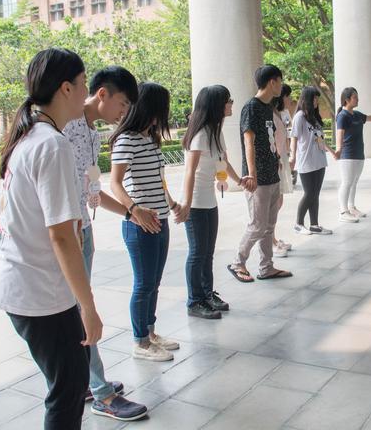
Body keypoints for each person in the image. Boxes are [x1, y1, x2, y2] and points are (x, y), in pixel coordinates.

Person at [0, 48, 102, 429]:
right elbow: (61, 237)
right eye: (83, 82)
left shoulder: (32, 136)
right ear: (65, 88)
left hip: (28, 287)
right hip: (39, 293)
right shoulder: (51, 144)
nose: (87, 92)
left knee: (69, 383)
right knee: (68, 392)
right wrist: (87, 307)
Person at [61, 66, 147, 421]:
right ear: (102, 94)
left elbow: (91, 191)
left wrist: (130, 211)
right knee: (83, 311)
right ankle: (101, 392)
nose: (123, 113)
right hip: (67, 234)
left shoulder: (93, 134)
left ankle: (85, 380)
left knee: (77, 310)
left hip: (83, 230)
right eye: (123, 104)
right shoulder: (64, 129)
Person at [110, 82, 182, 361]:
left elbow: (159, 181)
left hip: (160, 219)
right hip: (140, 224)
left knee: (154, 281)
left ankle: (150, 333)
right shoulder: (126, 139)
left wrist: (172, 204)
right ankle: (140, 342)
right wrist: (134, 211)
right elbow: (115, 183)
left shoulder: (150, 139)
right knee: (143, 283)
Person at [178, 85, 255, 319]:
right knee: (197, 253)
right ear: (216, 105)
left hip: (209, 201)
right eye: (228, 100)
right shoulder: (201, 134)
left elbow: (224, 163)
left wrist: (239, 181)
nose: (231, 104)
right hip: (195, 203)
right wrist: (186, 204)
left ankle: (207, 294)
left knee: (207, 252)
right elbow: (189, 172)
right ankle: (195, 302)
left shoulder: (216, 132)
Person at [228, 65, 293, 282]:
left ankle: (266, 267)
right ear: (272, 82)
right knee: (258, 225)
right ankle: (238, 262)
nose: (281, 86)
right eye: (280, 81)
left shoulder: (268, 107)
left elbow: (269, 138)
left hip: (272, 173)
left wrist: (277, 159)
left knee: (269, 226)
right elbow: (249, 141)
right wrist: (252, 174)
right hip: (258, 178)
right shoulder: (251, 107)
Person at [334, 87, 371, 222]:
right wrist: (339, 149)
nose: (357, 99)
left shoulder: (357, 115)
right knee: (347, 182)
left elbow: (369, 117)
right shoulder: (342, 116)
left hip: (359, 154)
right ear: (347, 100)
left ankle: (352, 207)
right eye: (355, 97)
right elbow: (340, 133)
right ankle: (343, 211)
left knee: (353, 182)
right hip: (347, 155)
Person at [290, 86, 338, 235]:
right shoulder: (299, 117)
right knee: (309, 193)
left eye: (317, 98)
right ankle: (298, 224)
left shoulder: (315, 118)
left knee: (315, 194)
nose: (317, 101)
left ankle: (314, 225)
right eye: (314, 98)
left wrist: (332, 152)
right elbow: (294, 137)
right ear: (307, 99)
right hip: (306, 161)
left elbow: (320, 139)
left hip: (319, 161)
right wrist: (292, 156)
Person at [272, 83, 294, 257]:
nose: (289, 99)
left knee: (278, 202)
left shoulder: (282, 114)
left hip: (282, 159)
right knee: (274, 203)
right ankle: (270, 241)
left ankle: (272, 238)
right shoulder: (271, 114)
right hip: (276, 161)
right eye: (287, 96)